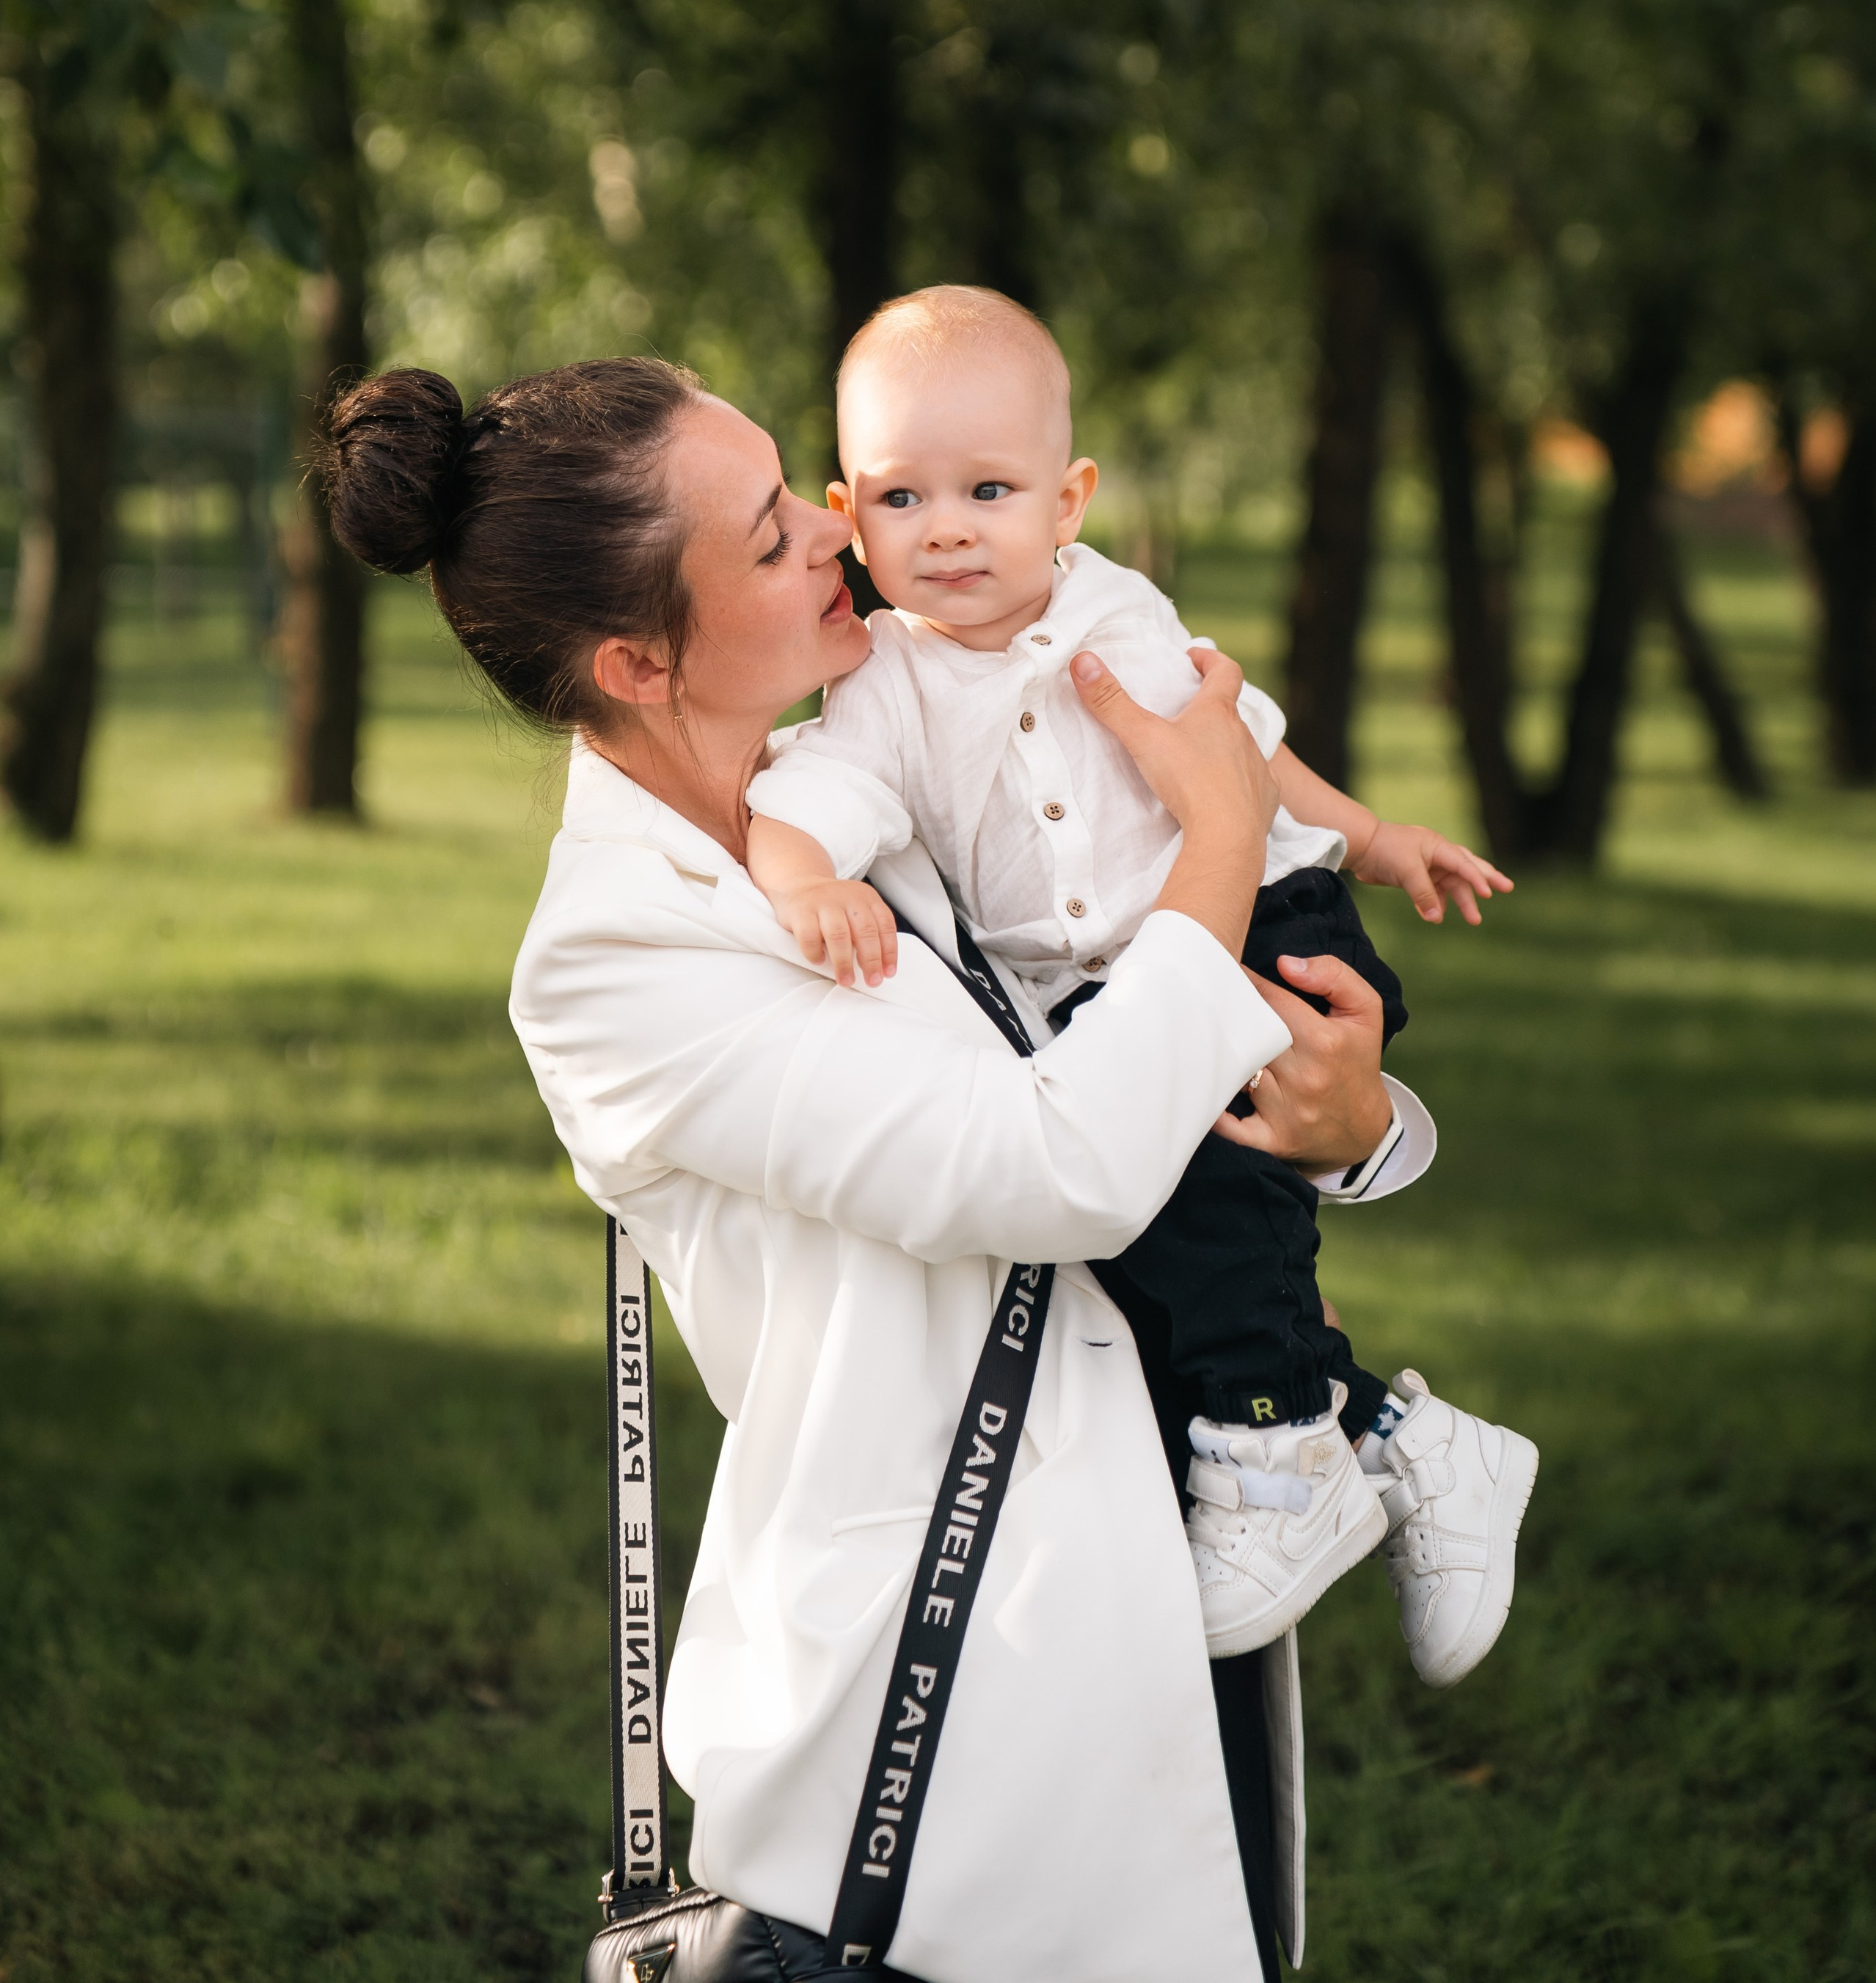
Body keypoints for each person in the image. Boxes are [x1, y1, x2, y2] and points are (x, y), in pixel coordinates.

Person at [322, 353, 1435, 1983]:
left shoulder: (856, 774)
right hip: (943, 1686)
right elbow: (1055, 1164)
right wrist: (1218, 830)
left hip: (1175, 1537)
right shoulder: (612, 960)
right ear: (638, 657)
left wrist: (1353, 1133)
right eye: (771, 541)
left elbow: (1131, 1035)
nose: (837, 538)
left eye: (796, 492)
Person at [745, 285, 1536, 1679]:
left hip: (1264, 921)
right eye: (903, 496)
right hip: (1121, 990)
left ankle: (1282, 1451)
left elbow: (1245, 754)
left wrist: (1374, 838)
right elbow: (809, 799)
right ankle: (1410, 1445)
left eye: (989, 490)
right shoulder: (878, 691)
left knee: (1209, 1189)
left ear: (1070, 498)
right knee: (1156, 1236)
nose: (946, 526)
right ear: (849, 514)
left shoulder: (1124, 607)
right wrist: (806, 879)